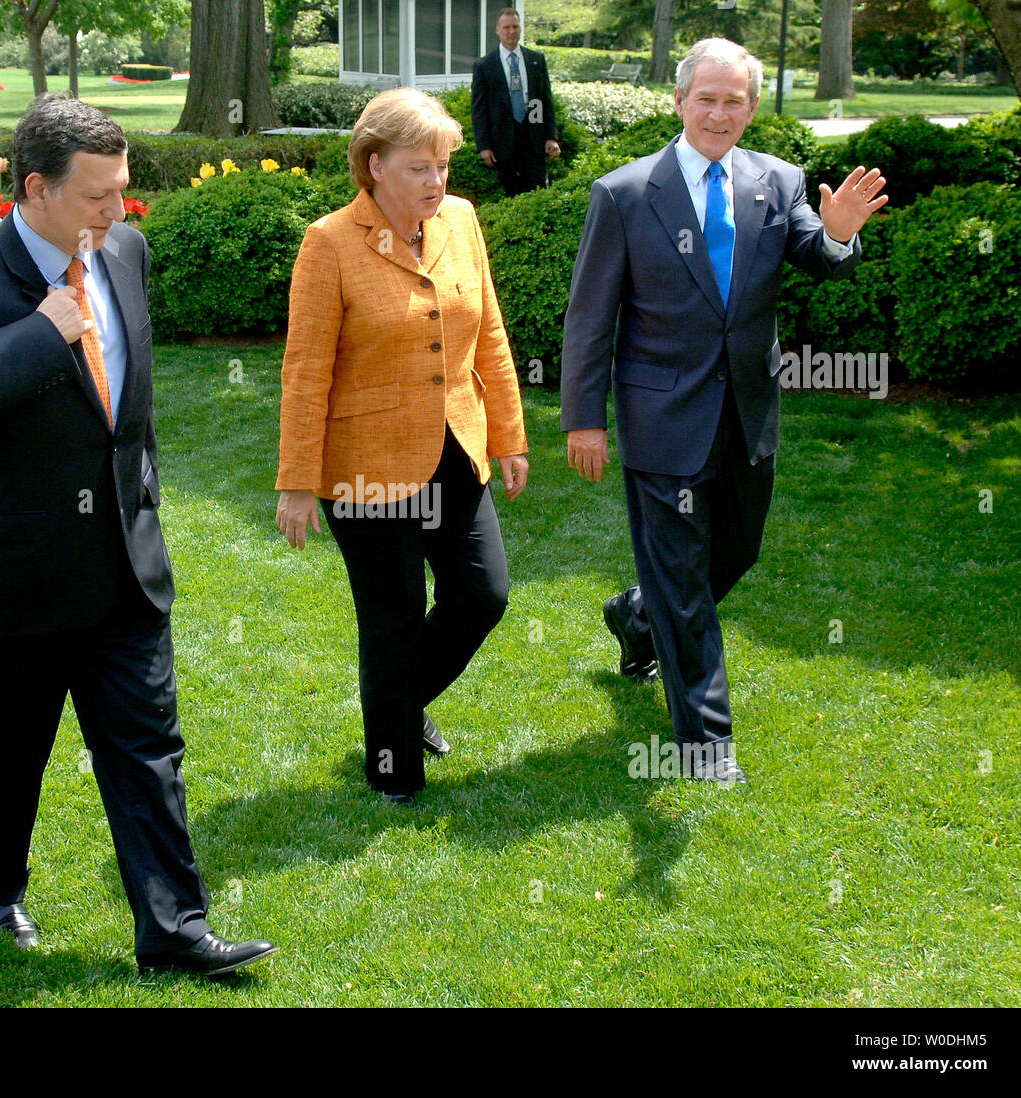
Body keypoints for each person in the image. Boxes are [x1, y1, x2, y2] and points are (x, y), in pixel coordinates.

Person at [0, 94, 274, 975]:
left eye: (123, 192)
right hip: (16, 567)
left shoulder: (126, 252)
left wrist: (141, 495)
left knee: (148, 745)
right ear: (36, 188)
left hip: (123, 562)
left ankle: (175, 930)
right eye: (99, 195)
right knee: (6, 750)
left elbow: (127, 411)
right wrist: (36, 335)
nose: (118, 211)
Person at [560, 38, 888, 783]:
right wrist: (585, 417)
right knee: (686, 583)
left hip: (747, 415)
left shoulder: (779, 181)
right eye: (704, 98)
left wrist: (838, 231)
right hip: (661, 421)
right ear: (678, 102)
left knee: (735, 553)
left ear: (751, 106)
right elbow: (589, 317)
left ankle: (637, 614)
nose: (718, 112)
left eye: (733, 99)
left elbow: (818, 253)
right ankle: (706, 747)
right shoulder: (626, 193)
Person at [275, 88, 529, 805]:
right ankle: (392, 768)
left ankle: (396, 708)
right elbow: (305, 370)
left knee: (483, 594)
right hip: (365, 467)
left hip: (457, 447)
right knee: (390, 618)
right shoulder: (329, 242)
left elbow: (493, 337)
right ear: (374, 164)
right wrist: (298, 480)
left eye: (442, 166)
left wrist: (508, 434)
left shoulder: (462, 221)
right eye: (419, 167)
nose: (436, 182)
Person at [471, 6, 561, 197]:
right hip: (503, 141)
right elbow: (479, 109)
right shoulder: (484, 65)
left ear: (520, 28)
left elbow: (545, 100)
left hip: (533, 136)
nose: (511, 31)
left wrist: (551, 136)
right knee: (511, 192)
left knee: (538, 191)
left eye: (515, 27)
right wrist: (484, 146)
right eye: (506, 28)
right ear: (498, 31)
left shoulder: (536, 60)